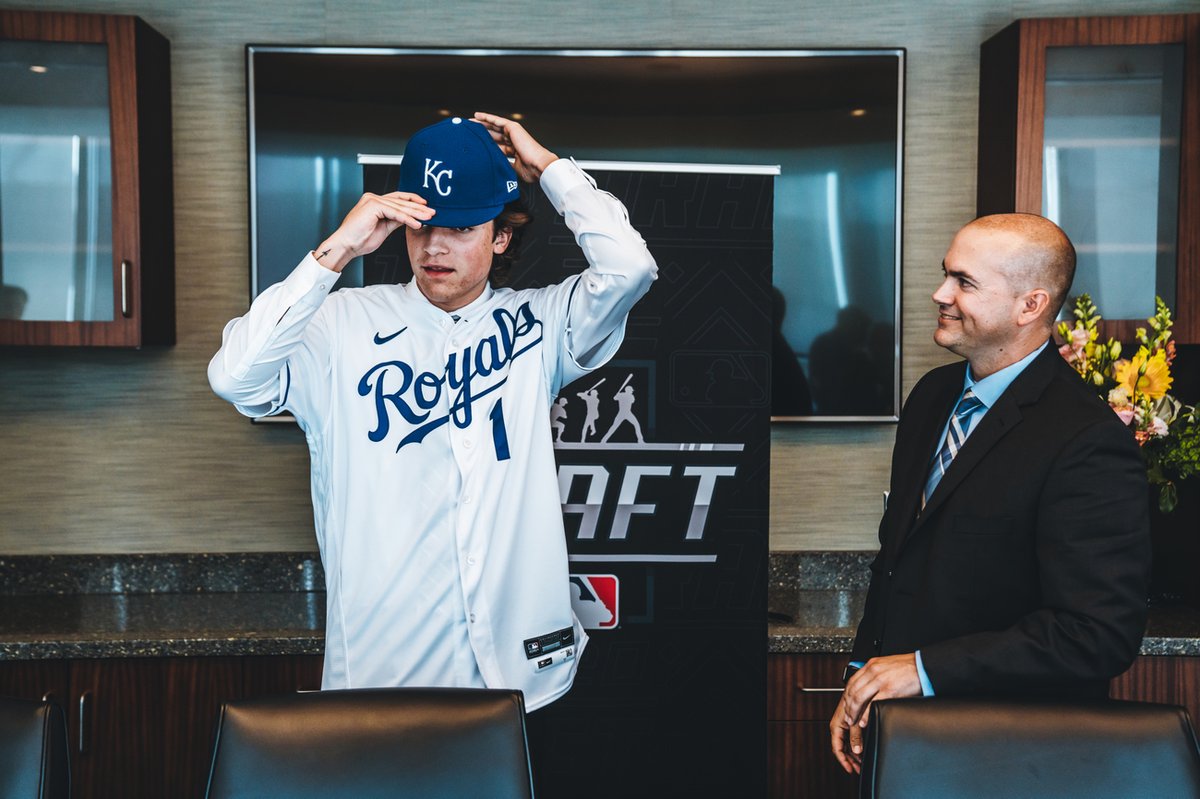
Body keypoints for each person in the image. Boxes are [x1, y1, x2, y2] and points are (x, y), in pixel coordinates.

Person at [209, 112, 657, 711]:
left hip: (518, 673)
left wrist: (550, 170)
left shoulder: (543, 322)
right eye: (421, 225)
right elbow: (234, 376)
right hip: (382, 670)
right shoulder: (340, 323)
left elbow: (630, 268)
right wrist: (337, 250)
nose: (435, 246)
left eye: (462, 227)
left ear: (500, 237)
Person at [829, 213, 1150, 774]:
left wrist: (923, 670)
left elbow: (1096, 634)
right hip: (903, 734)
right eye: (946, 274)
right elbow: (896, 559)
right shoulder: (932, 396)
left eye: (965, 282)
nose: (940, 294)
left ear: (1030, 305)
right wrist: (863, 676)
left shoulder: (1086, 438)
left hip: (1009, 752)